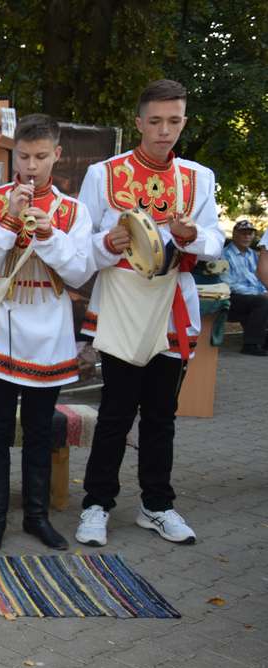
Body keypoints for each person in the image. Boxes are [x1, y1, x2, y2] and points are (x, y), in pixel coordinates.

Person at [76, 79, 223, 547]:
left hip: (171, 304)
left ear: (184, 121)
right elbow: (80, 243)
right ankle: (97, 504)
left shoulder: (199, 177)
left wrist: (190, 235)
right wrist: (106, 242)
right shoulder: (104, 173)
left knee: (161, 414)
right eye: (155, 121)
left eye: (174, 121)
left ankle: (156, 505)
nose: (164, 131)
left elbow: (215, 239)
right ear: (138, 122)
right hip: (121, 300)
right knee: (116, 412)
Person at [0, 114, 93, 553]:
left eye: (41, 156)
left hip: (49, 325)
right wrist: (8, 221)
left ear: (56, 154)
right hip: (2, 324)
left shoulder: (74, 210)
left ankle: (37, 517)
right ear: (12, 154)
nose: (32, 165)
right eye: (23, 156)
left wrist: (48, 234)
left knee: (40, 429)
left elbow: (80, 270)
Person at [221, 219, 268, 355]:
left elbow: (259, 278)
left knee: (262, 300)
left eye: (250, 234)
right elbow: (229, 284)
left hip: (250, 296)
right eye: (243, 233)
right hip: (231, 297)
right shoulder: (224, 254)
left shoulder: (253, 254)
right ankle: (251, 345)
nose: (247, 236)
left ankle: (263, 341)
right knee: (262, 302)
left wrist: (264, 291)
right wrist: (259, 294)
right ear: (234, 234)